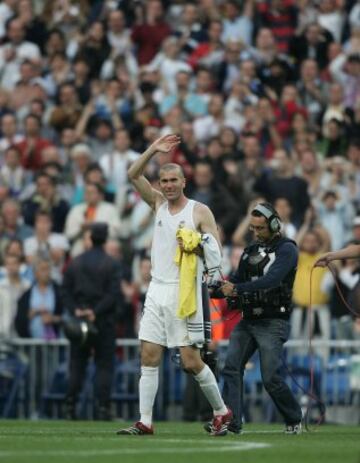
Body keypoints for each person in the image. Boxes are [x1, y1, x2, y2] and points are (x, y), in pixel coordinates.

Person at [117, 134, 232, 436]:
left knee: (191, 361)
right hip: (156, 288)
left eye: (172, 180)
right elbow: (133, 174)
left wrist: (197, 246)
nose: (167, 185)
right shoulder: (157, 203)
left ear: (183, 182)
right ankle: (145, 421)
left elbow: (217, 252)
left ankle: (222, 411)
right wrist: (153, 148)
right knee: (148, 354)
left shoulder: (198, 210)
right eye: (163, 180)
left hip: (185, 291)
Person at [214, 202, 302, 435]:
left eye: (260, 228)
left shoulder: (287, 249)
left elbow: (272, 280)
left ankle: (294, 418)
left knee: (271, 377)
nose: (256, 232)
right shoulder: (250, 251)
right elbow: (235, 278)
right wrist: (216, 287)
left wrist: (236, 289)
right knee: (231, 368)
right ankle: (233, 422)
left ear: (274, 225)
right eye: (253, 228)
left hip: (273, 321)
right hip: (248, 319)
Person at [62, 222, 120, 421]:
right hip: (102, 322)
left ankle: (70, 405)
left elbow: (65, 291)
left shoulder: (75, 262)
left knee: (77, 364)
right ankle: (103, 407)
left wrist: (76, 310)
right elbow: (113, 295)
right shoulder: (111, 264)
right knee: (104, 365)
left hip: (79, 323)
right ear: (105, 239)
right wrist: (95, 311)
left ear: (90, 238)